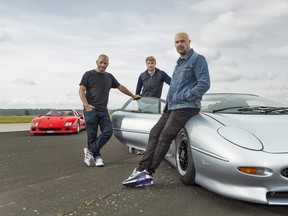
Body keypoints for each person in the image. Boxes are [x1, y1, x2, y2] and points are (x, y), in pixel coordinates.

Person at [122, 32, 210, 187]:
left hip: (186, 107)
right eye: (176, 42)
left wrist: (185, 95)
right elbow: (173, 87)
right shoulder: (179, 63)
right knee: (154, 133)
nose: (179, 44)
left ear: (189, 42)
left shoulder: (197, 59)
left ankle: (148, 174)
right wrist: (168, 103)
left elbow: (204, 83)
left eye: (182, 41)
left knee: (164, 137)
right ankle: (142, 168)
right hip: (171, 107)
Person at [79, 54, 141, 167]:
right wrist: (86, 105)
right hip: (91, 110)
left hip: (103, 111)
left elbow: (120, 87)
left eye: (105, 63)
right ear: (96, 61)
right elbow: (81, 90)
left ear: (108, 64)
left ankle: (90, 151)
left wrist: (132, 95)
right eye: (101, 62)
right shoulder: (88, 74)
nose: (103, 65)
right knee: (92, 135)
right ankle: (97, 157)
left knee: (108, 131)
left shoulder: (109, 77)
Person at [130, 56, 171, 155]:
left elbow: (172, 83)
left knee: (152, 127)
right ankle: (138, 146)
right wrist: (138, 101)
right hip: (143, 104)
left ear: (155, 64)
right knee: (141, 126)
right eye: (148, 63)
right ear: (146, 64)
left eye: (152, 63)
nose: (150, 65)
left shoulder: (161, 74)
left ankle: (150, 147)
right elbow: (137, 91)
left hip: (155, 105)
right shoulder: (142, 76)